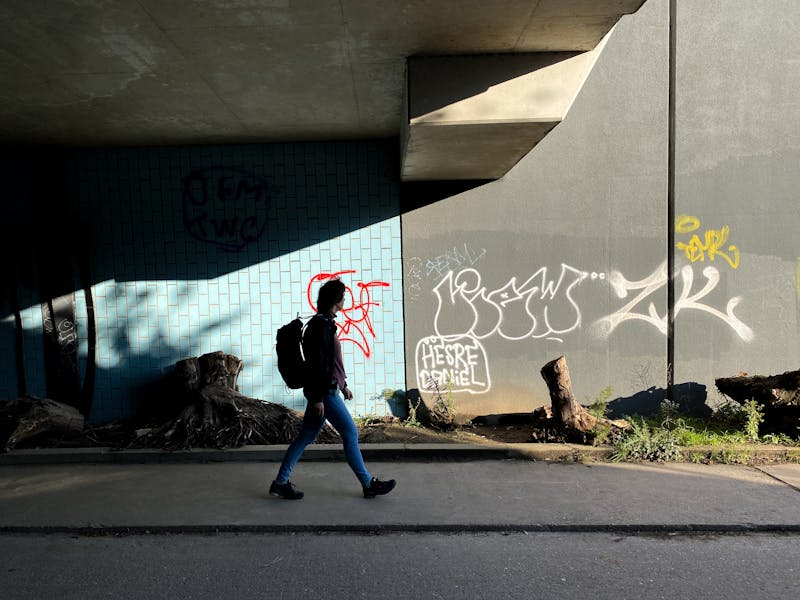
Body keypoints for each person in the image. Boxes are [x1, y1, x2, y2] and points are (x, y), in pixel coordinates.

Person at [269, 277, 396, 500]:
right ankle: (368, 484)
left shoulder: (324, 324)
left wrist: (343, 385)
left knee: (305, 436)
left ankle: (280, 482)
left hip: (327, 390)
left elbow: (332, 362)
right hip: (324, 393)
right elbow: (317, 366)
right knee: (350, 432)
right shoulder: (320, 327)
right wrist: (318, 398)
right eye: (343, 297)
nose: (345, 300)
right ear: (336, 300)